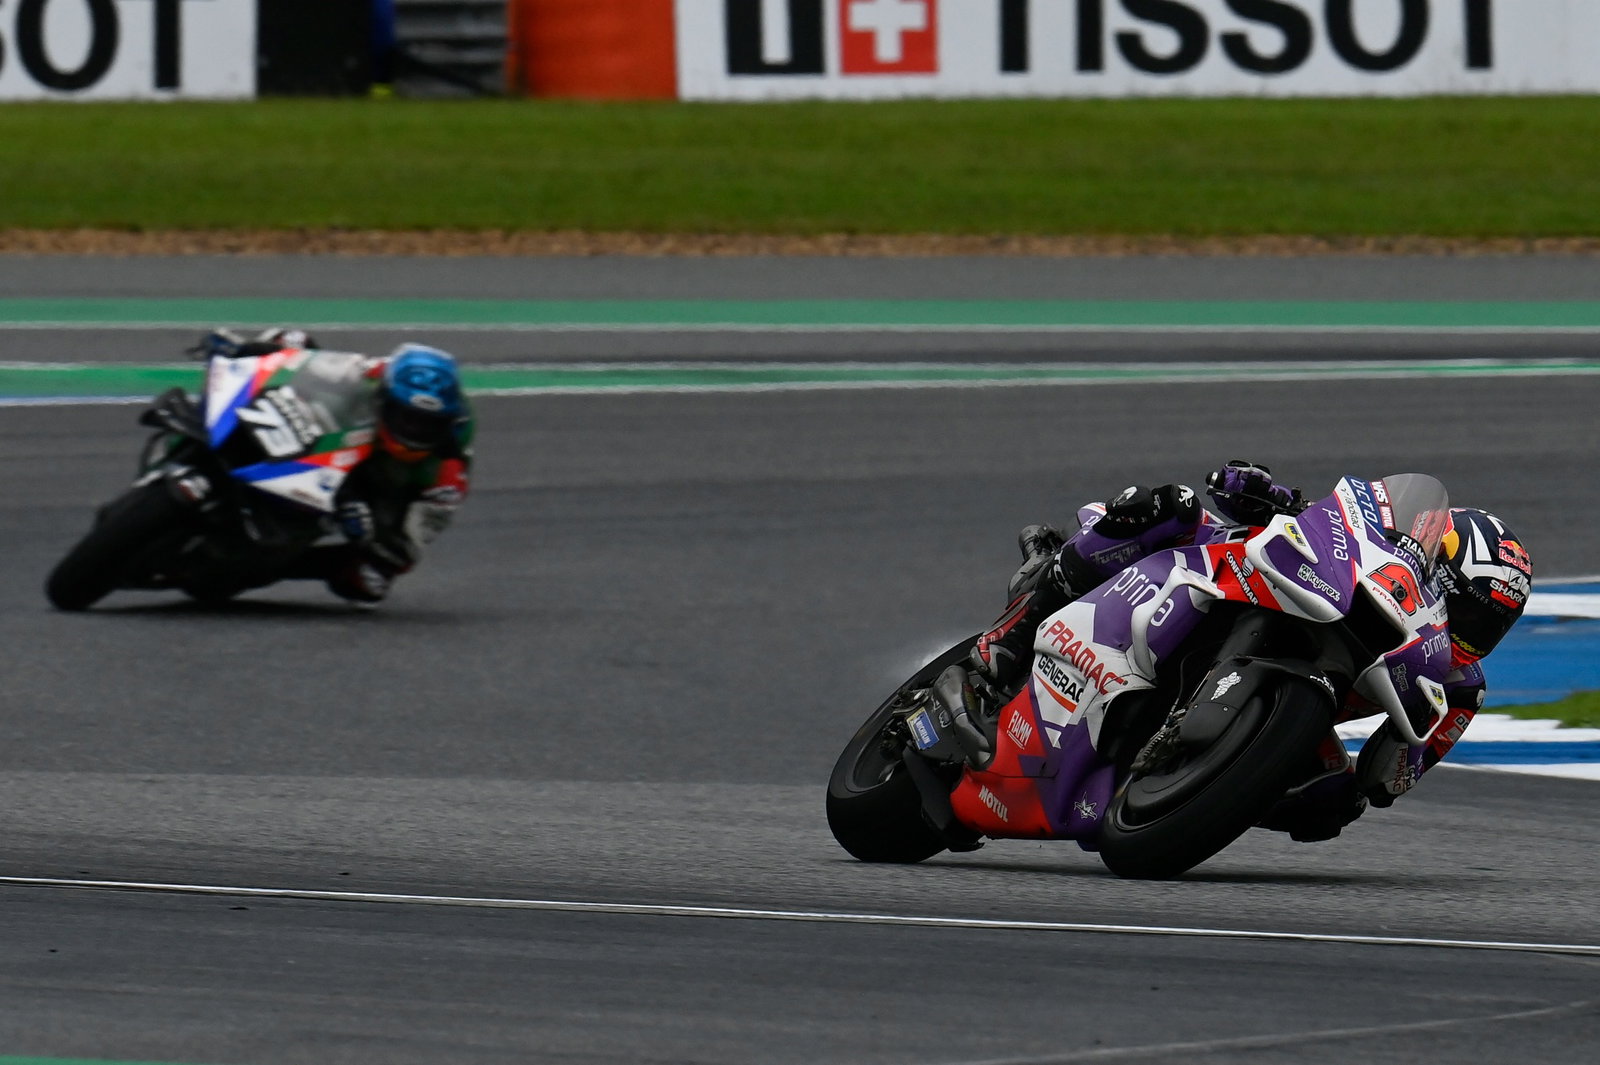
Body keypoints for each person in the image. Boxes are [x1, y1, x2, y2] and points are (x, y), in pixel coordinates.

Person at [967, 462, 1533, 843]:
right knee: (1171, 505)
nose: (1465, 629)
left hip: (1293, 704)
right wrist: (1263, 491)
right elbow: (1252, 493)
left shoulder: (1456, 687)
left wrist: (1272, 779)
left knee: (1330, 805)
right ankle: (1017, 628)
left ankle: (1190, 790)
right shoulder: (1372, 546)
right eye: (1465, 607)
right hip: (1211, 575)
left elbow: (1387, 779)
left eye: (1488, 626)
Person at [196, 328, 474, 604]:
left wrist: (372, 537)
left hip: (379, 487)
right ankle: (215, 424)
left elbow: (411, 543)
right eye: (408, 419)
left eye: (429, 425)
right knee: (294, 340)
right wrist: (257, 353)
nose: (415, 433)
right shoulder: (372, 374)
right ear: (385, 400)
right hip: (345, 433)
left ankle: (270, 566)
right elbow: (311, 361)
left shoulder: (446, 478)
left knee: (369, 582)